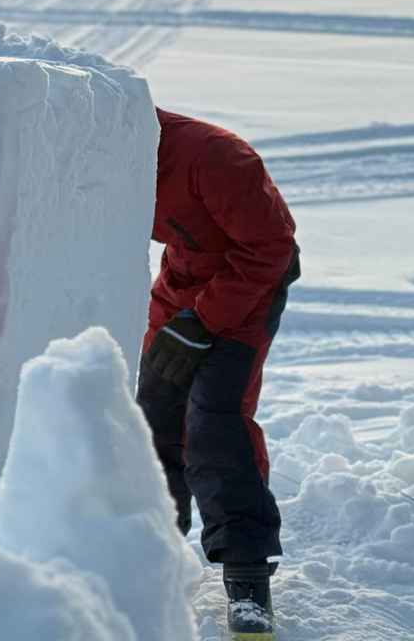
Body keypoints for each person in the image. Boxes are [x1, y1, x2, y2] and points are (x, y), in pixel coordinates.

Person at [137, 108, 300, 640]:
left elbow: (271, 249)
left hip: (249, 283)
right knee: (154, 414)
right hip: (183, 284)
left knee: (214, 419)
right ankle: (155, 552)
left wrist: (206, 322)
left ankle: (248, 577)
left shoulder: (217, 157)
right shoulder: (101, 155)